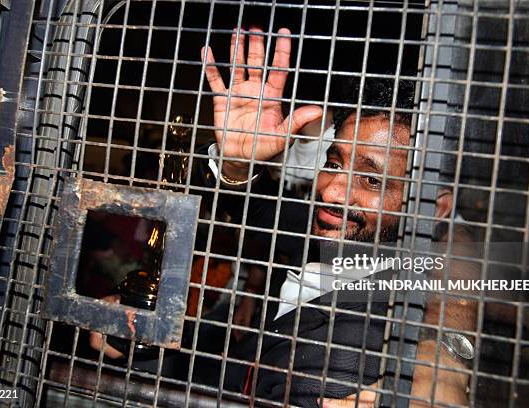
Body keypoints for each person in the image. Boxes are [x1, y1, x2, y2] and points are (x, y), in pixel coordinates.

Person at [196, 27, 477, 407]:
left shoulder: (350, 357)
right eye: (333, 163)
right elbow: (258, 208)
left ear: (432, 208)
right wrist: (237, 158)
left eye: (371, 179)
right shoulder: (344, 233)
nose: (331, 191)